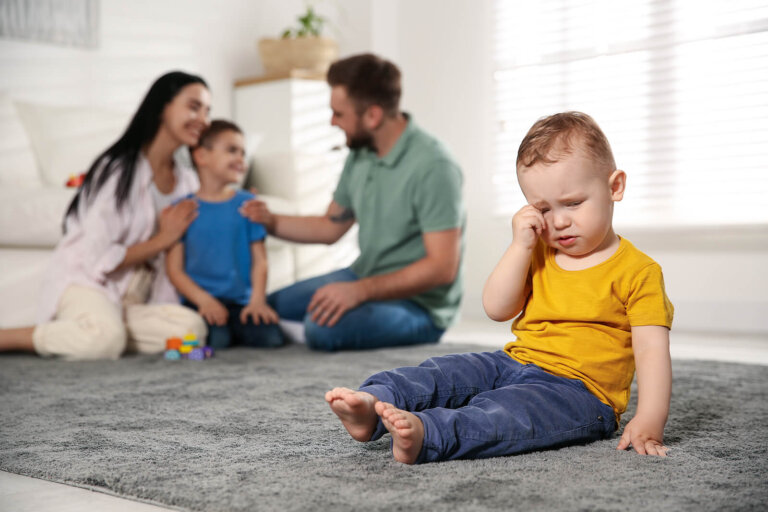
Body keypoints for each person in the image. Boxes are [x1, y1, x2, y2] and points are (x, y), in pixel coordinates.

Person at [325, 111, 674, 464]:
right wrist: (520, 247)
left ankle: (429, 433)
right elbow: (497, 308)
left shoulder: (639, 272)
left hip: (580, 393)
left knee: (508, 414)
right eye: (543, 209)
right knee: (445, 372)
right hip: (513, 361)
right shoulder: (538, 250)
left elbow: (651, 352)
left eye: (573, 203)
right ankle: (373, 401)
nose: (560, 221)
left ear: (614, 187)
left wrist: (650, 418)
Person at [241, 53, 465, 352]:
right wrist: (269, 221)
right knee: (268, 308)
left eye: (339, 114)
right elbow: (329, 227)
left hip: (420, 306)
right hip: (365, 275)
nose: (333, 122)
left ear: (372, 116)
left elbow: (441, 268)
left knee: (322, 329)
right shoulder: (361, 153)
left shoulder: (434, 166)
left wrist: (359, 291)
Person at [0, 71, 211, 360]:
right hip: (89, 281)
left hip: (134, 298)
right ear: (163, 106)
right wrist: (164, 239)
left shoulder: (187, 181)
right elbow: (95, 256)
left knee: (192, 330)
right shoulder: (117, 170)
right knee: (105, 341)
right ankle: (11, 337)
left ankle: (98, 330)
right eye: (194, 106)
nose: (204, 119)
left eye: (207, 111)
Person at [166, 120, 284, 349]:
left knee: (271, 339)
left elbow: (260, 261)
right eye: (232, 150)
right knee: (218, 341)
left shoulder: (248, 204)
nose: (241, 159)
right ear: (201, 156)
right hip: (201, 303)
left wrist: (257, 301)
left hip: (241, 303)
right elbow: (174, 270)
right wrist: (204, 301)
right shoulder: (182, 209)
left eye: (243, 152)